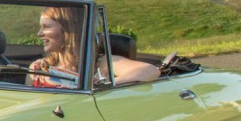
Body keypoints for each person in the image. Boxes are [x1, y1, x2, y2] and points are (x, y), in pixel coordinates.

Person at [29, 6, 159, 88]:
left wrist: (103, 86)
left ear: (69, 29)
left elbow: (150, 71)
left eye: (46, 27)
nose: (39, 33)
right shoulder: (37, 68)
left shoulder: (99, 64)